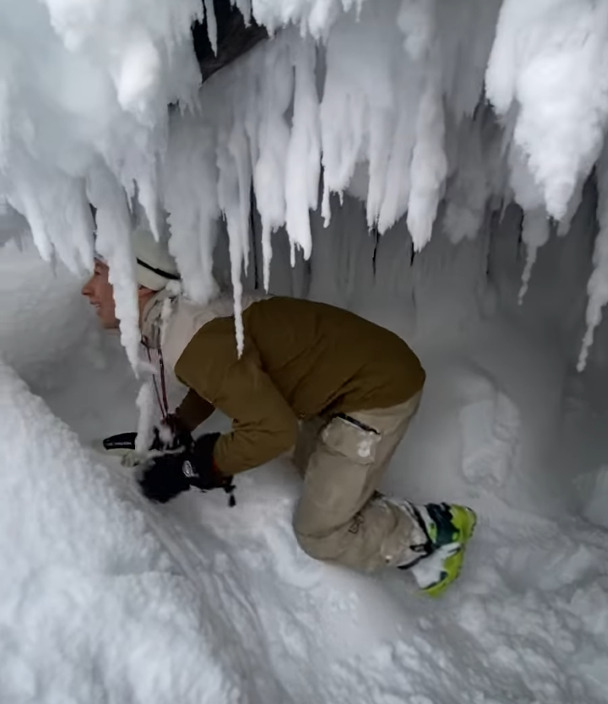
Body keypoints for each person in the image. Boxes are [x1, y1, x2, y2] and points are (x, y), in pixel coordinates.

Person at [82, 230, 476, 595]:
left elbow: (273, 432)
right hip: (348, 381)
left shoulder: (186, 333)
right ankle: (368, 509)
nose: (87, 289)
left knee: (319, 532)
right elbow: (228, 374)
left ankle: (434, 530)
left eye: (99, 273)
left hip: (376, 391)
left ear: (137, 283)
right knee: (312, 465)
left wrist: (192, 468)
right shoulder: (186, 315)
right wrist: (182, 424)